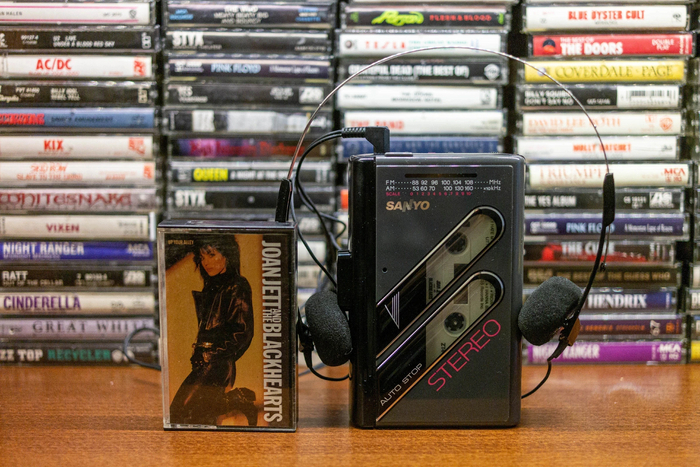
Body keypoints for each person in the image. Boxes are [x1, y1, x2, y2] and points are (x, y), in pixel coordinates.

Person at [169, 237, 257, 426]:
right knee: (195, 416)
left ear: (227, 256)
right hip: (203, 361)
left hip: (216, 364)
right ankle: (236, 400)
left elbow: (242, 332)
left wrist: (213, 355)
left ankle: (237, 400)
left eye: (211, 255)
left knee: (179, 412)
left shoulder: (237, 286)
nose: (206, 262)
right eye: (202, 257)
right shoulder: (212, 287)